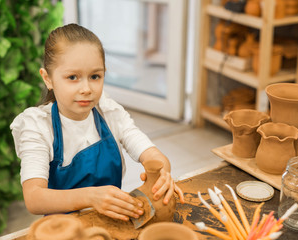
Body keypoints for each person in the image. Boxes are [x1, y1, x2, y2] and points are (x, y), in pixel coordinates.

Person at [10, 23, 184, 222]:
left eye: (95, 76)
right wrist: (91, 197)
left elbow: (152, 154)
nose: (86, 88)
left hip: (109, 223)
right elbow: (34, 198)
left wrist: (162, 174)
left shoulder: (109, 113)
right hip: (63, 230)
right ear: (48, 79)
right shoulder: (38, 126)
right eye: (73, 77)